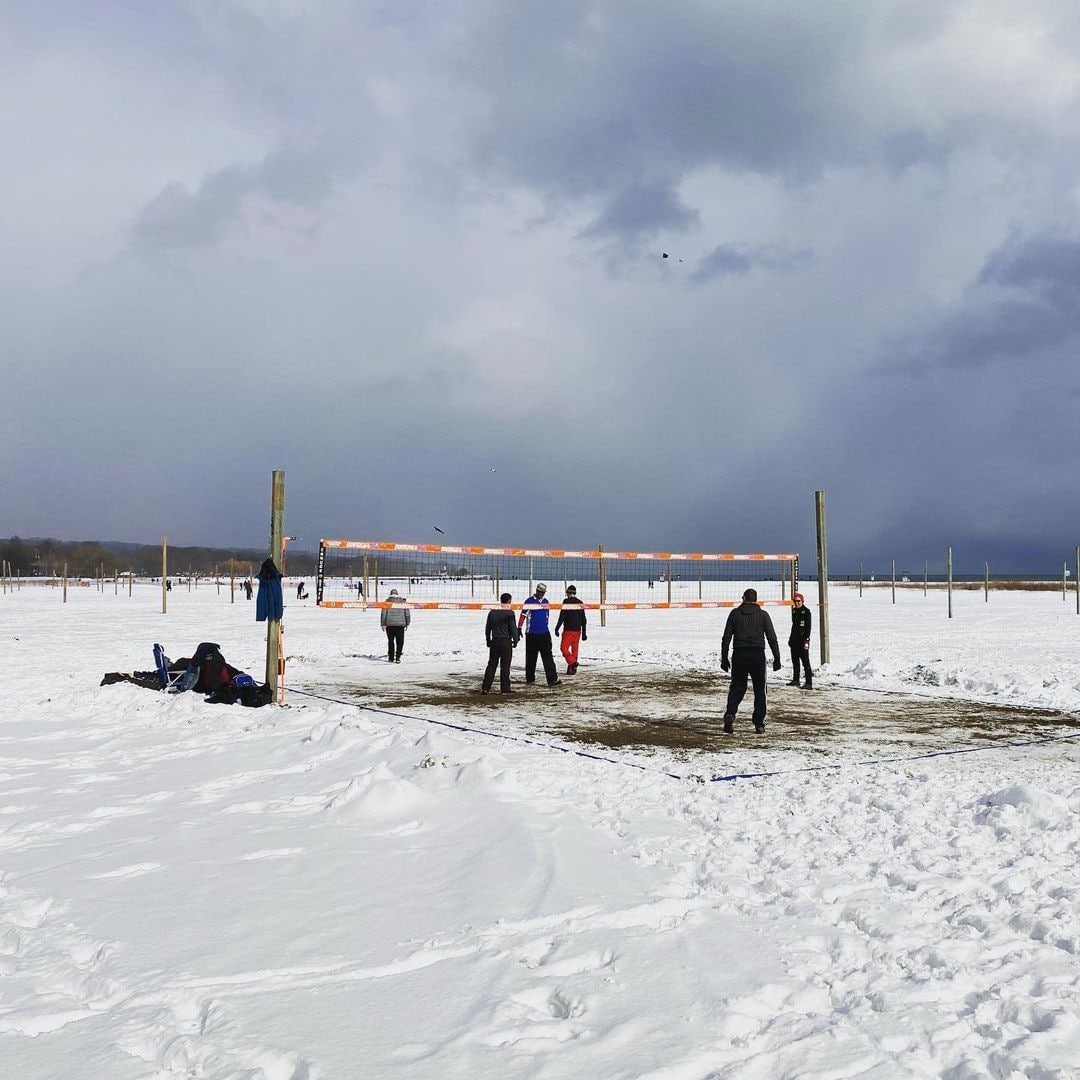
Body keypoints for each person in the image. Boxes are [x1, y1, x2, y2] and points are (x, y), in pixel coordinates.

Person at [720, 587, 782, 734]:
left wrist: (724, 658)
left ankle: (730, 713)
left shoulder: (735, 614)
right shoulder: (763, 615)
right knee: (760, 690)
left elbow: (726, 638)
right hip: (757, 655)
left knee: (737, 687)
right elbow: (772, 638)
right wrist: (777, 658)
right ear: (755, 600)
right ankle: (759, 723)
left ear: (743, 598)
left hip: (739, 654)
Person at [517, 583, 560, 686]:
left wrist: (545, 626)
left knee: (548, 656)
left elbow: (547, 616)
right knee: (531, 657)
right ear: (536, 591)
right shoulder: (529, 601)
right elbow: (523, 615)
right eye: (539, 592)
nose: (541, 594)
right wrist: (519, 628)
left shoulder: (546, 602)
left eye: (543, 592)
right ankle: (530, 679)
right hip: (531, 634)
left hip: (544, 633)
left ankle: (552, 679)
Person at [481, 593, 521, 693]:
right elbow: (513, 629)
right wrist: (516, 640)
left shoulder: (492, 612)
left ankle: (485, 688)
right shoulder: (510, 613)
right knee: (505, 666)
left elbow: (487, 628)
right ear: (509, 601)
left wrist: (488, 640)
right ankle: (505, 689)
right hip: (505, 642)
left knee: (492, 665)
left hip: (495, 641)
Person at [554, 585, 587, 674]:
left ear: (568, 593)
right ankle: (571, 669)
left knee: (564, 649)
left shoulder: (566, 602)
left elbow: (562, 616)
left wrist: (557, 628)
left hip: (568, 630)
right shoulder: (580, 602)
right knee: (574, 650)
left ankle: (573, 663)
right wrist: (584, 632)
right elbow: (583, 619)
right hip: (578, 631)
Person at [788, 592, 813, 689]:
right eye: (795, 601)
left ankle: (809, 683)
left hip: (802, 640)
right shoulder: (794, 611)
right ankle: (796, 679)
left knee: (805, 662)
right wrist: (790, 639)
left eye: (798, 601)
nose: (796, 603)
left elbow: (808, 627)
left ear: (802, 601)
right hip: (794, 640)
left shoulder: (806, 612)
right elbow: (794, 626)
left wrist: (806, 639)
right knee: (795, 661)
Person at [380, 588, 410, 662]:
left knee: (390, 641)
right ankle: (398, 657)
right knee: (400, 641)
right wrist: (407, 623)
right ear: (397, 594)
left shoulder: (386, 602)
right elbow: (407, 613)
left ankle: (391, 657)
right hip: (400, 625)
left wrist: (383, 624)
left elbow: (383, 614)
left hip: (389, 624)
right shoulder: (403, 602)